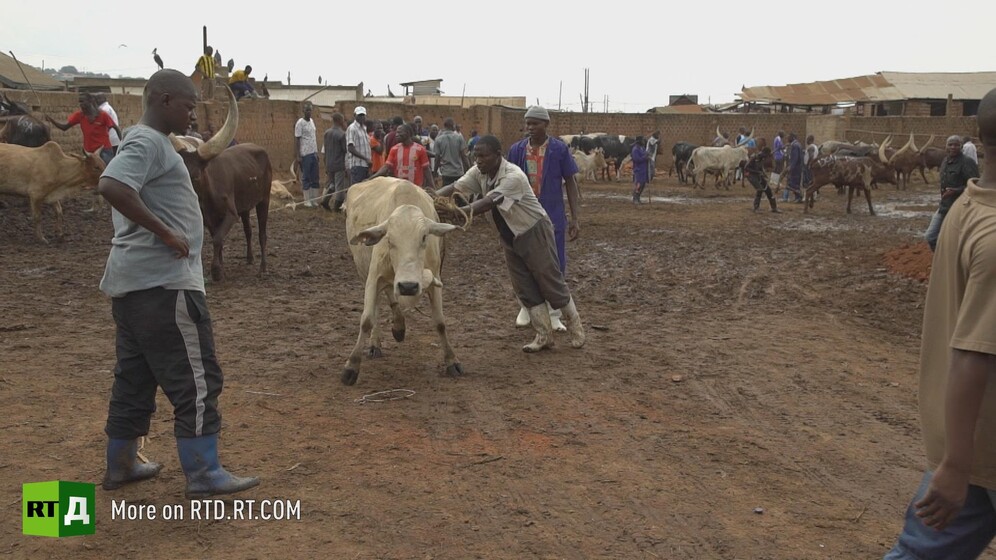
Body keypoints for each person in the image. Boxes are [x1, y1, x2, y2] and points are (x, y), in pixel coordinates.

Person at [95, 69, 258, 498]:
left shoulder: (143, 141)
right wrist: (166, 232)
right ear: (164, 100)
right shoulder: (149, 141)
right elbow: (110, 184)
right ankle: (204, 473)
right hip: (165, 286)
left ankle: (123, 463)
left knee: (134, 377)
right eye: (188, 106)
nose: (191, 114)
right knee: (197, 378)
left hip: (133, 287)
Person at [882, 86, 996, 560]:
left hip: (968, 445)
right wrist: (955, 465)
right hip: (980, 450)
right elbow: (973, 352)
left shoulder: (967, 205)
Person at [433, 135, 585, 352]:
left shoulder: (513, 176)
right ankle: (543, 335)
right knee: (524, 286)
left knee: (549, 281)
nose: (479, 161)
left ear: (498, 155)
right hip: (509, 235)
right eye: (476, 156)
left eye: (484, 156)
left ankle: (576, 328)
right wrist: (427, 198)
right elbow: (456, 187)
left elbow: (488, 202)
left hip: (533, 230)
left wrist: (460, 212)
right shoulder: (479, 172)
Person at [507, 106, 580, 332]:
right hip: (522, 216)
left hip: (553, 215)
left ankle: (554, 312)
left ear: (546, 124)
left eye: (535, 123)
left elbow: (571, 182)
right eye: (527, 123)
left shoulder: (559, 150)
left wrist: (575, 218)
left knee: (554, 263)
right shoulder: (516, 150)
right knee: (524, 262)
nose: (529, 127)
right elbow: (506, 183)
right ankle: (526, 307)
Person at [924, 135, 980, 251]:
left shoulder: (967, 162)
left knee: (959, 238)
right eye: (950, 144)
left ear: (961, 147)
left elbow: (975, 185)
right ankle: (942, 258)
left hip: (961, 207)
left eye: (956, 145)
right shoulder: (945, 161)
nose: (953, 147)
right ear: (946, 146)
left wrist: (956, 190)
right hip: (945, 206)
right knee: (931, 236)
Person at [46, 92, 122, 165]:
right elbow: (64, 127)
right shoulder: (79, 115)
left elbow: (115, 128)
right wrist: (52, 121)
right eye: (80, 102)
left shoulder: (102, 115)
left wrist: (122, 144)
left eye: (83, 101)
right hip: (88, 152)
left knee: (106, 173)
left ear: (90, 101)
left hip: (104, 151)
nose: (81, 104)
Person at [368, 124, 433, 189]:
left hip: (416, 188)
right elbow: (386, 167)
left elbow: (426, 169)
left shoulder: (420, 149)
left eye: (399, 132)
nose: (396, 135)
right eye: (396, 132)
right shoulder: (394, 149)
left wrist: (432, 186)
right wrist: (371, 178)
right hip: (399, 189)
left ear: (407, 133)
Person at [321, 112, 349, 211]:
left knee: (332, 184)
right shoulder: (342, 134)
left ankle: (325, 200)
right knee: (339, 186)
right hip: (338, 164)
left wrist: (325, 163)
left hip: (329, 163)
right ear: (340, 121)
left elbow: (326, 149)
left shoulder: (327, 132)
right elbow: (345, 150)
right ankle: (336, 207)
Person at [295, 102, 320, 207]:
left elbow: (313, 138)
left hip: (313, 153)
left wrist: (316, 152)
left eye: (310, 110)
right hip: (305, 154)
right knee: (306, 176)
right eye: (307, 110)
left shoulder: (312, 121)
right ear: (303, 111)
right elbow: (297, 139)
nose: (309, 112)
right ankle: (307, 200)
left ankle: (314, 199)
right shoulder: (300, 123)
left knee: (315, 176)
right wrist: (298, 155)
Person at [433, 118, 471, 186]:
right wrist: (469, 169)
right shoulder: (459, 138)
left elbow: (437, 158)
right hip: (458, 172)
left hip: (446, 173)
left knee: (446, 194)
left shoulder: (438, 140)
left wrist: (435, 173)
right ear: (452, 126)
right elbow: (463, 156)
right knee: (458, 193)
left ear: (445, 126)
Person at [744, 148, 779, 213]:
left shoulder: (762, 158)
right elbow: (746, 168)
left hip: (757, 175)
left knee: (768, 190)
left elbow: (760, 168)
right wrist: (757, 172)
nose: (767, 157)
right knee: (759, 189)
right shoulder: (754, 157)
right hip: (750, 175)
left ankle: (774, 208)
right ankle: (756, 208)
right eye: (767, 155)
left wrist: (763, 174)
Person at [346, 106, 372, 184]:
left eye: (363, 115)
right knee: (357, 190)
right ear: (355, 115)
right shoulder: (352, 128)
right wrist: (366, 159)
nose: (362, 117)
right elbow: (350, 148)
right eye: (359, 115)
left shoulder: (364, 128)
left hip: (365, 166)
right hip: (357, 165)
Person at [783, 133, 804, 202]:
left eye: (788, 137)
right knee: (795, 182)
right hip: (798, 167)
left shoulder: (795, 146)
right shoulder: (798, 144)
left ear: (792, 137)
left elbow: (795, 158)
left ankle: (798, 197)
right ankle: (797, 197)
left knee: (793, 183)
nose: (787, 139)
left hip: (795, 168)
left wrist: (791, 167)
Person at [631, 136, 650, 204]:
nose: (644, 141)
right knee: (639, 184)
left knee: (643, 184)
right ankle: (635, 198)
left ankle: (638, 197)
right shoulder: (635, 149)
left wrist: (647, 155)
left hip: (644, 169)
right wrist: (645, 157)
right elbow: (637, 159)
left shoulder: (642, 148)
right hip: (638, 169)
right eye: (642, 140)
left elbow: (644, 155)